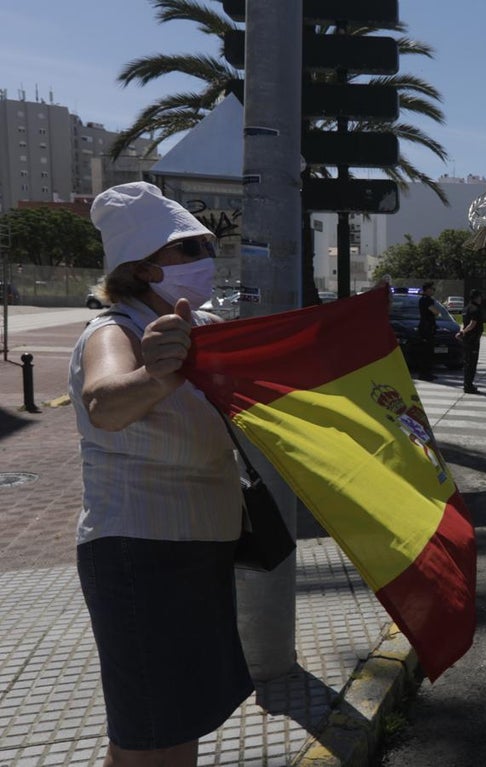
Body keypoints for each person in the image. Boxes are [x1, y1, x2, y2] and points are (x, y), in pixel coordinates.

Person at [70, 182, 253, 766]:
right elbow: (104, 404)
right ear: (146, 269)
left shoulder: (197, 324)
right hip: (141, 556)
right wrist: (162, 375)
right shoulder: (113, 331)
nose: (208, 259)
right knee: (149, 737)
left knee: (178, 725)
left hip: (194, 548)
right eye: (191, 250)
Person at [456, 289, 485, 394]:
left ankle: (467, 384)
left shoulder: (465, 309)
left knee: (467, 362)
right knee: (471, 364)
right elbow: (472, 324)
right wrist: (464, 332)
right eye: (480, 297)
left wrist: (461, 332)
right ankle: (469, 386)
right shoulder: (475, 309)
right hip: (473, 339)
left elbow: (463, 323)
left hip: (467, 339)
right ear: (476, 297)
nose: (481, 299)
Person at [417, 281, 440, 381]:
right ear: (427, 290)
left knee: (427, 352)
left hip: (426, 327)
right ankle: (425, 373)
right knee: (426, 352)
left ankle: (427, 372)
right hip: (427, 328)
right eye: (432, 289)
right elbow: (434, 311)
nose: (433, 291)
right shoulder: (427, 300)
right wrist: (437, 312)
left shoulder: (423, 299)